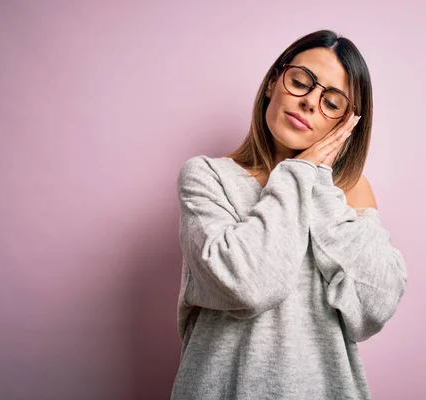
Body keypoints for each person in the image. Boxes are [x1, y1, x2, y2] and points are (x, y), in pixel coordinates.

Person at [170, 29, 408, 400]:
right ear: (272, 84)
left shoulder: (349, 192)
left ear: (345, 125)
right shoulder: (207, 177)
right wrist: (299, 173)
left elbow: (373, 309)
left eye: (332, 103)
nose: (311, 102)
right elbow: (249, 286)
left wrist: (322, 186)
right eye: (301, 82)